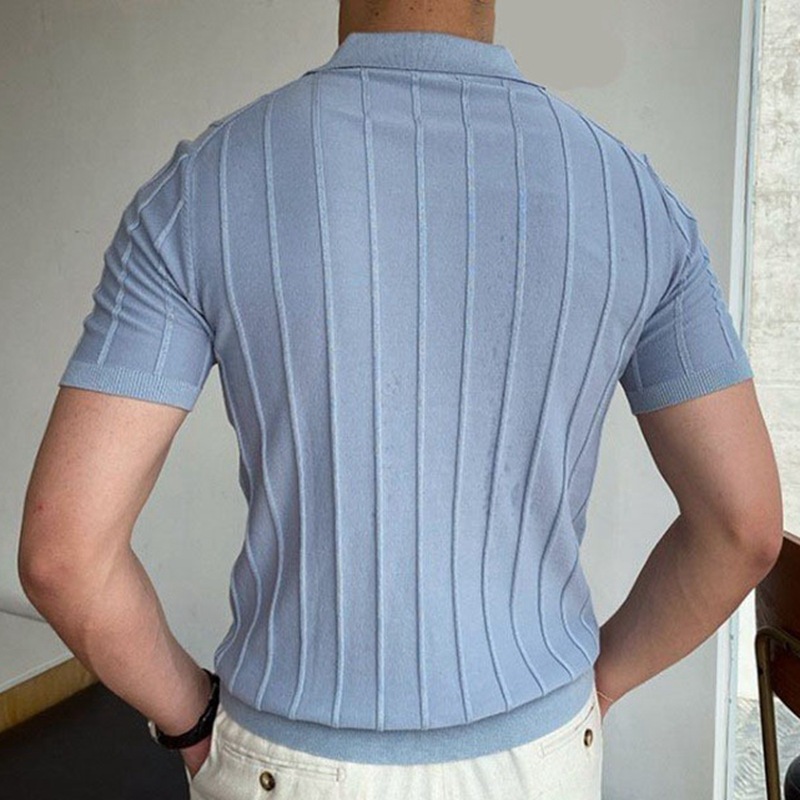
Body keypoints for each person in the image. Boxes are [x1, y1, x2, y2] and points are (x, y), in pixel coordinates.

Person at [18, 0, 784, 798]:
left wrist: (189, 719)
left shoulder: (201, 188)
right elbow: (744, 527)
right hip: (540, 754)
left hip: (284, 764)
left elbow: (63, 555)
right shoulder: (632, 198)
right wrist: (602, 681)